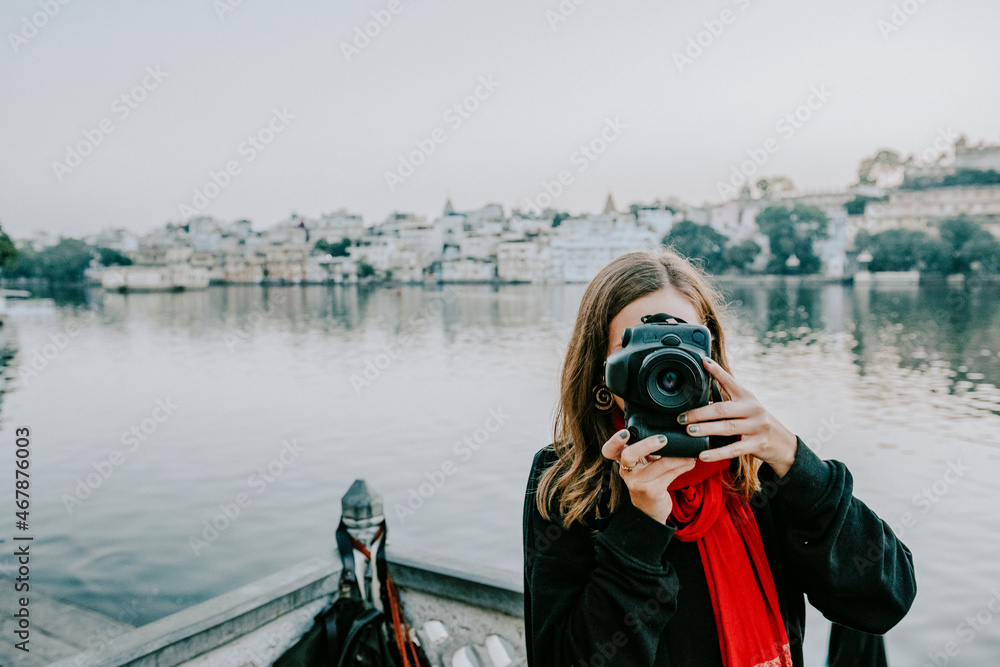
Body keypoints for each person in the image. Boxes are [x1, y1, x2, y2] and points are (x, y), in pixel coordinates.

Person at [522, 248, 916, 667]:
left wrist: (795, 460)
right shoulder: (566, 482)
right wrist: (639, 527)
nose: (663, 360)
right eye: (639, 343)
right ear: (604, 369)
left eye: (682, 342)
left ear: (711, 357)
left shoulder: (753, 463)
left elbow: (885, 598)